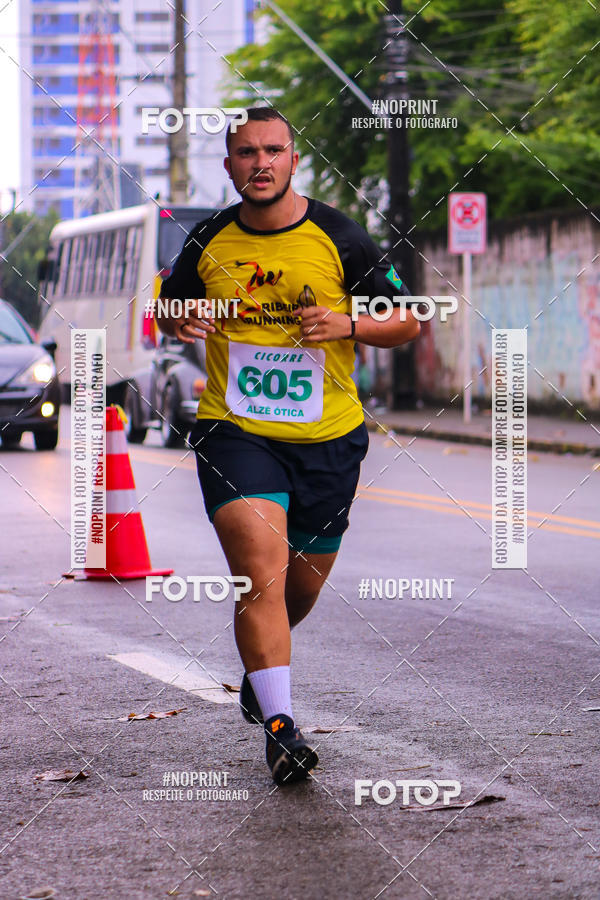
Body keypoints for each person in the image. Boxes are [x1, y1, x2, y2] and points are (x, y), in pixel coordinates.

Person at [157, 106, 420, 786]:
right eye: (247, 153)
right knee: (260, 568)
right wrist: (179, 314)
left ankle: (261, 671)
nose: (261, 162)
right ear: (230, 166)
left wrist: (349, 321)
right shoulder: (210, 237)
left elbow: (410, 318)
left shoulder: (339, 236)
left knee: (296, 587)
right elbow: (167, 303)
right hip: (234, 430)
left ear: (294, 160)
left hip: (328, 438)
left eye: (273, 150)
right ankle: (281, 727)